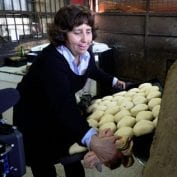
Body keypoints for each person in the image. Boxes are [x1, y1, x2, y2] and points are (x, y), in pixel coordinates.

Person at [13, 4, 127, 177]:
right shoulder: (51, 61)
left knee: (70, 154)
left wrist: (113, 81)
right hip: (33, 115)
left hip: (58, 108)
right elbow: (63, 104)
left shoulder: (83, 50)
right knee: (43, 162)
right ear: (63, 34)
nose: (85, 39)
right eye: (77, 32)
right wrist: (93, 140)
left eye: (88, 31)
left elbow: (92, 69)